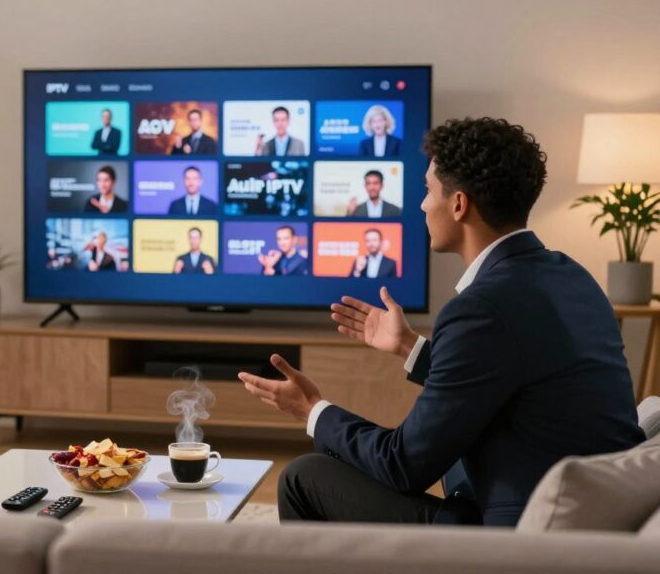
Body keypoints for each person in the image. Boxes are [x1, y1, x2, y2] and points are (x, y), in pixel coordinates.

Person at [238, 117, 645, 527]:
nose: (421, 204)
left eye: (428, 190)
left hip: (516, 534)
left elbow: (403, 464)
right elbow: (511, 376)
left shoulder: (482, 308)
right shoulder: (572, 275)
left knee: (301, 477)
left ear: (458, 204)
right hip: (591, 513)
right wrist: (411, 348)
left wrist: (312, 410)